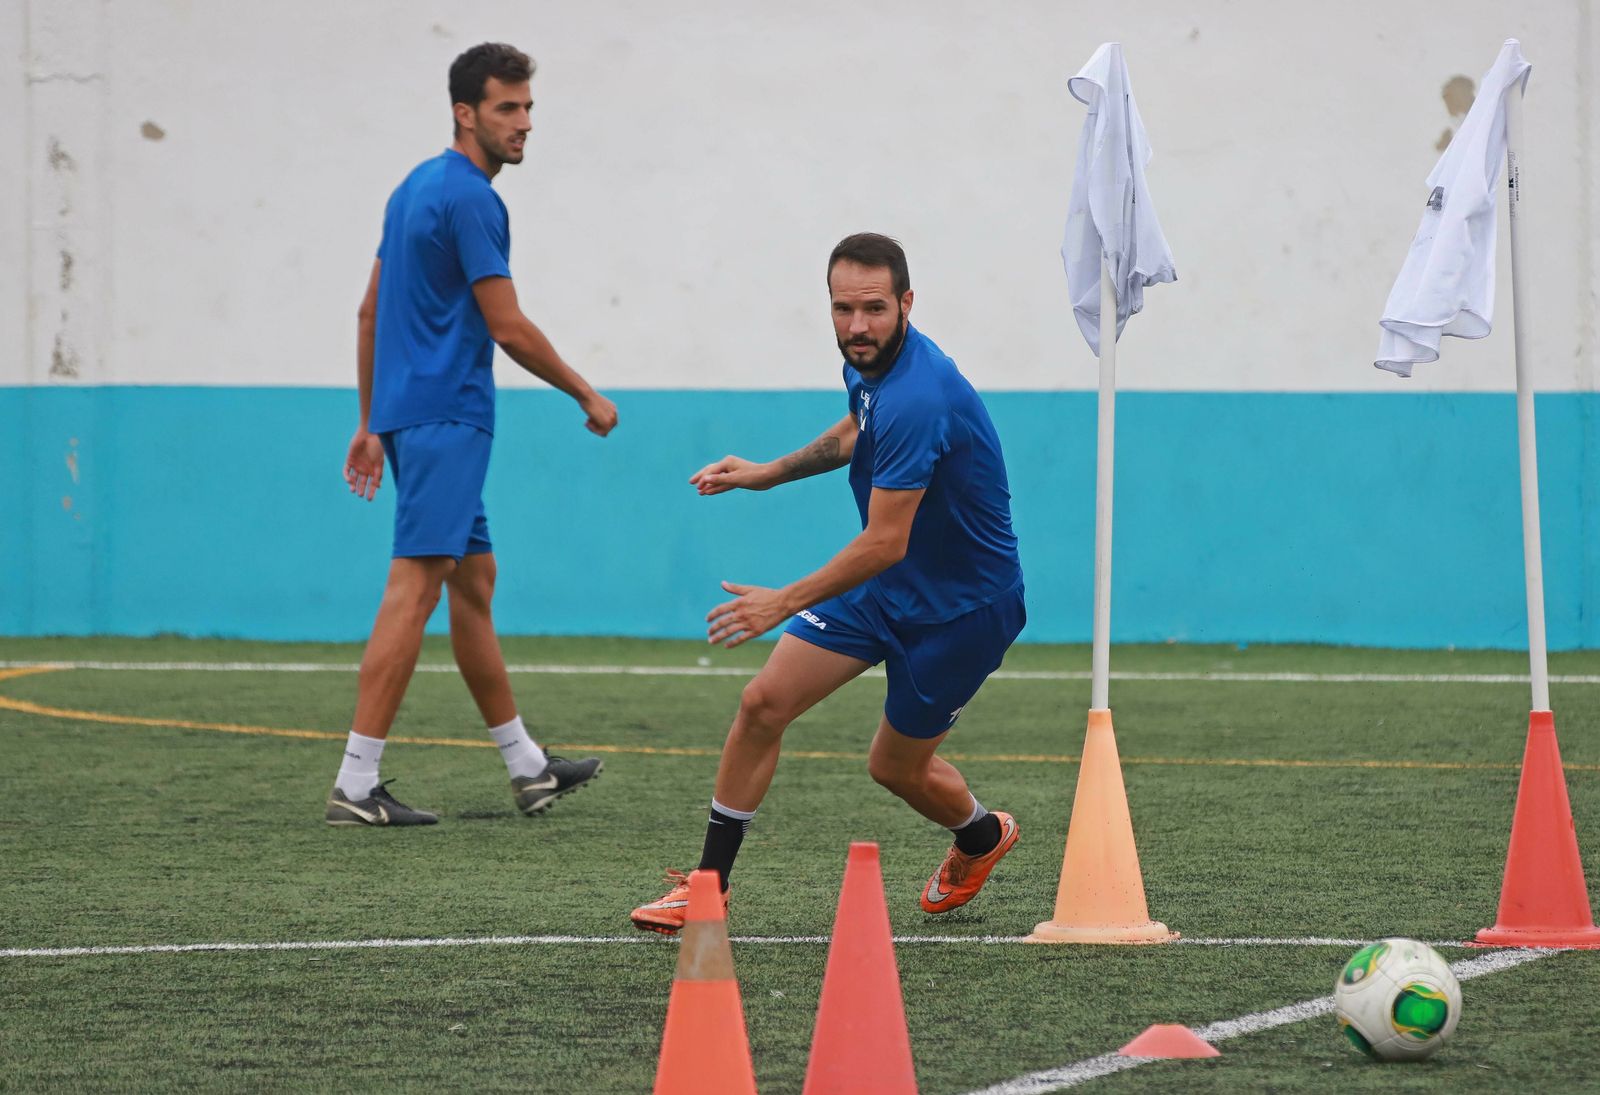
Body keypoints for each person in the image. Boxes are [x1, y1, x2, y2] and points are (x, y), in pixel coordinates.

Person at [631, 233, 1025, 930]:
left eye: (874, 308)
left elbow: (883, 541)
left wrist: (780, 602)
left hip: (961, 611)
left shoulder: (919, 396)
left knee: (895, 768)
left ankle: (982, 835)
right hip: (885, 587)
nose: (857, 326)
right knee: (763, 704)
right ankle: (708, 887)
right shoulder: (870, 369)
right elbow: (855, 430)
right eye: (843, 309)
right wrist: (765, 471)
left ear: (907, 303)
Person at [327, 43, 617, 827]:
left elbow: (368, 312)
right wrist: (584, 391)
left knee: (473, 584)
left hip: (418, 420)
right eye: (507, 109)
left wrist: (370, 422)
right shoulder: (474, 200)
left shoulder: (412, 187)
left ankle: (527, 767)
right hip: (449, 419)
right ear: (467, 113)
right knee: (415, 586)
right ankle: (357, 782)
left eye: (528, 109)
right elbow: (508, 327)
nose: (524, 124)